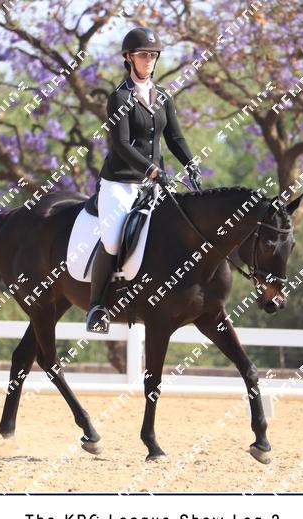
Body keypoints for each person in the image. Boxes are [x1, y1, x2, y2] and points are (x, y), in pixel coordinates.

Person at [86, 26, 203, 334]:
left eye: (152, 55)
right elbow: (122, 145)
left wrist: (191, 163)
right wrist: (152, 170)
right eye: (142, 55)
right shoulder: (119, 97)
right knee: (113, 239)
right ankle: (97, 307)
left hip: (153, 185)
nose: (148, 60)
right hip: (120, 184)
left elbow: (175, 137)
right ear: (129, 58)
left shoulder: (162, 96)